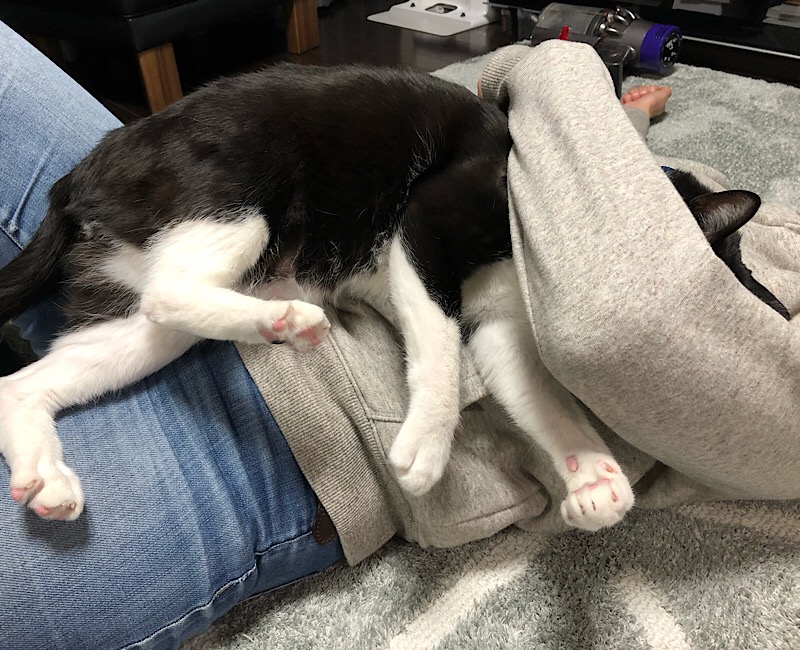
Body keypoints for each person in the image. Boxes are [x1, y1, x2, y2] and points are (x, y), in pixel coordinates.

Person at [1, 26, 798, 650]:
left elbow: (584, 315)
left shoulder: (754, 355)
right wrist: (628, 123)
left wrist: (573, 453)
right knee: (200, 206)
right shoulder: (554, 214)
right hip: (241, 233)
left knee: (156, 305)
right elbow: (556, 119)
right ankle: (185, 292)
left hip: (298, 438)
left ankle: (26, 400)